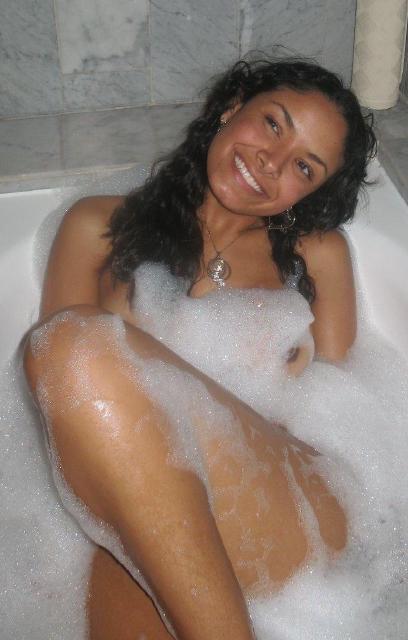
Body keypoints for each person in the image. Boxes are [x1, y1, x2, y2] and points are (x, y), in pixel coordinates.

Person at [23, 58, 376, 639]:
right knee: (69, 349)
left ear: (310, 193)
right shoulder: (95, 225)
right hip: (155, 506)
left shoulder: (318, 256)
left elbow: (347, 408)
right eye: (273, 124)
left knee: (79, 344)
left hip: (291, 504)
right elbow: (59, 412)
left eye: (304, 167)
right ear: (231, 107)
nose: (271, 161)